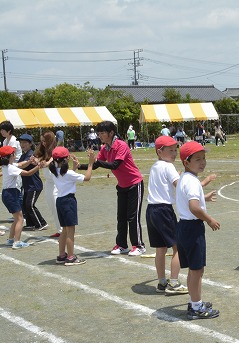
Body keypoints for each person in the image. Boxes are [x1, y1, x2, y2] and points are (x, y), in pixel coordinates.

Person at [175, 141, 220, 320]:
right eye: (197, 159)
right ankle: (196, 307)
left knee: (194, 270)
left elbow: (191, 201)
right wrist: (209, 219)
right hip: (192, 228)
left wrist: (204, 199)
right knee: (197, 270)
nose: (202, 162)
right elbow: (194, 207)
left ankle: (194, 301)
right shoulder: (192, 181)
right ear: (186, 162)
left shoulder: (186, 179)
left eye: (204, 158)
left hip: (183, 227)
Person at [88, 121, 146, 256]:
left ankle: (139, 245)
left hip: (134, 184)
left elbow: (115, 165)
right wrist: (81, 166)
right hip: (122, 186)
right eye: (99, 133)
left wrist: (95, 161)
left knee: (133, 217)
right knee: (121, 217)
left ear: (111, 132)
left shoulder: (121, 145)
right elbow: (95, 166)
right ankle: (122, 245)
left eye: (102, 133)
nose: (100, 136)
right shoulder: (105, 148)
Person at [146, 136, 188, 294]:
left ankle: (162, 282)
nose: (174, 153)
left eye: (175, 149)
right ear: (159, 151)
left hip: (151, 210)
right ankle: (174, 283)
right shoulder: (168, 166)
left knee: (160, 248)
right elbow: (180, 185)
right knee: (178, 246)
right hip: (164, 210)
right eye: (170, 150)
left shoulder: (155, 166)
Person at [49, 146, 95, 265]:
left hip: (60, 201)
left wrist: (74, 167)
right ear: (67, 158)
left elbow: (67, 178)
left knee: (64, 229)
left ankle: (61, 255)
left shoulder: (54, 171)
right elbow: (87, 178)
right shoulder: (68, 173)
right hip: (68, 201)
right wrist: (90, 164)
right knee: (70, 230)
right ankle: (70, 257)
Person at [1, 145, 43, 249]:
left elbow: (21, 164)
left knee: (17, 218)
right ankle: (17, 242)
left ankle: (11, 239)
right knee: (20, 219)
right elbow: (28, 173)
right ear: (11, 155)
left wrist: (29, 161)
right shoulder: (10, 168)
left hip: (10, 193)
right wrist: (38, 167)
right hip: (11, 194)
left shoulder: (8, 165)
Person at [35, 131, 63, 238]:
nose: (43, 143)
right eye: (41, 141)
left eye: (45, 141)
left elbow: (53, 158)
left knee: (57, 205)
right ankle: (59, 229)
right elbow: (39, 158)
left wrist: (47, 163)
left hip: (56, 182)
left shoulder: (56, 150)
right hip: (48, 182)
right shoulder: (43, 150)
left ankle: (64, 229)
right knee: (51, 205)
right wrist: (36, 161)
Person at [16, 134, 47, 231]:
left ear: (30, 144)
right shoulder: (23, 154)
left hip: (34, 185)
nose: (22, 144)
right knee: (25, 204)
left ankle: (41, 223)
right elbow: (19, 164)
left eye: (25, 142)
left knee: (29, 205)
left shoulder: (30, 154)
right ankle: (30, 224)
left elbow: (22, 166)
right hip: (27, 185)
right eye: (21, 142)